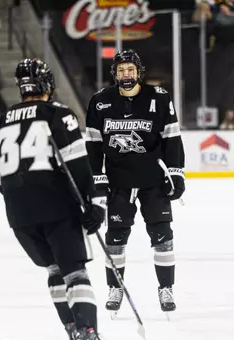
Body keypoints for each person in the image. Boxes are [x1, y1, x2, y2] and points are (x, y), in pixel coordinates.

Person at [0, 58, 106, 340]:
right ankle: (87, 331)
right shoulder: (57, 114)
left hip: (19, 214)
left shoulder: (3, 121)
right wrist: (95, 203)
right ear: (46, 84)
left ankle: (72, 328)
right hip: (56, 206)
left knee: (53, 268)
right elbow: (77, 163)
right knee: (74, 270)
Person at [85, 49, 185, 316]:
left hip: (153, 180)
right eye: (121, 70)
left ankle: (166, 288)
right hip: (119, 181)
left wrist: (176, 172)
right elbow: (93, 145)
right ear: (114, 74)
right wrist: (97, 179)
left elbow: (172, 137)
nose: (125, 75)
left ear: (139, 72)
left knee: (163, 237)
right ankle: (115, 288)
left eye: (130, 70)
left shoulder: (159, 98)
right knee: (115, 239)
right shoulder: (99, 101)